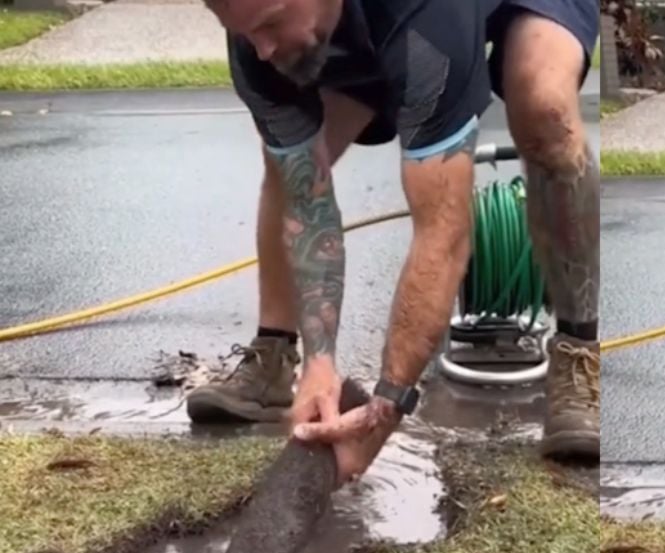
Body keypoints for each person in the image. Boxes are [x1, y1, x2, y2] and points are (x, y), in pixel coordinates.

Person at [193, 0, 600, 483]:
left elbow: (442, 232)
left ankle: (579, 352)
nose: (260, 49)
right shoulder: (254, 46)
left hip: (441, 15)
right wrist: (321, 362)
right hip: (374, 19)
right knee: (294, 167)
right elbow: (306, 198)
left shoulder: (428, 26)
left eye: (270, 24)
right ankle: (276, 355)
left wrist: (384, 409)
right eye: (242, 32)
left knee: (543, 106)